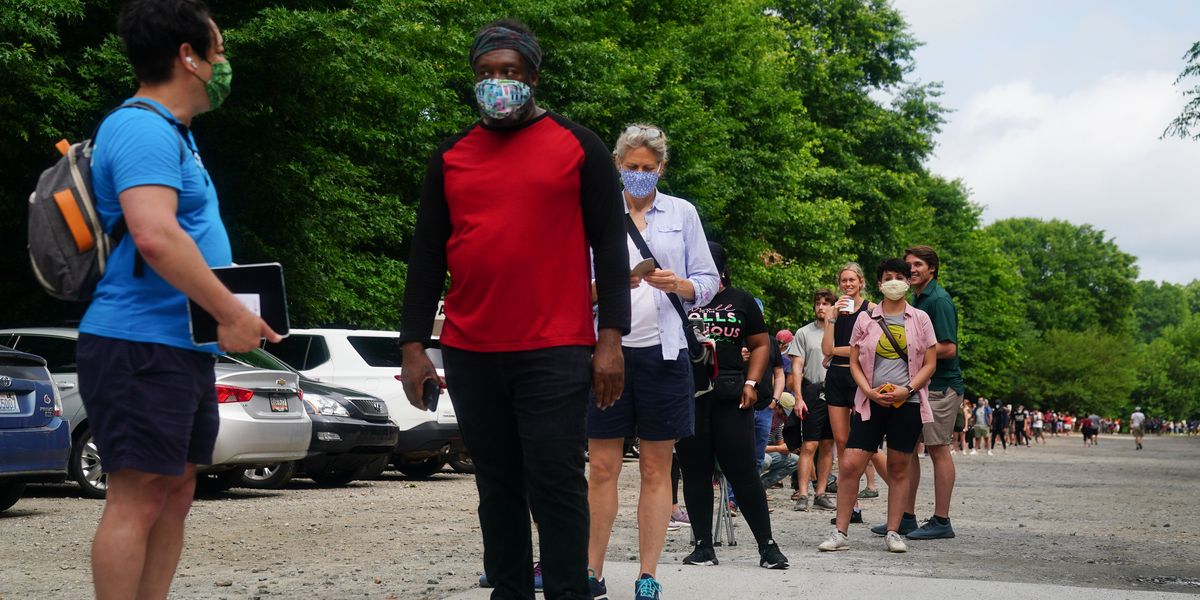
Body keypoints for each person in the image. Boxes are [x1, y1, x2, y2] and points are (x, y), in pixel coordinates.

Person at [397, 20, 630, 600]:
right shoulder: (450, 157)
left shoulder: (581, 147)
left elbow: (609, 244)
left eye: (509, 73)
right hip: (472, 348)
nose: (497, 83)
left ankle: (570, 591)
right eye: (486, 74)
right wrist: (413, 349)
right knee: (496, 484)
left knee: (553, 481)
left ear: (532, 77)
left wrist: (610, 339)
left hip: (554, 346)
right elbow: (427, 257)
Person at [76, 3, 281, 598]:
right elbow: (154, 234)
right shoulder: (140, 127)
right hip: (136, 344)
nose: (223, 63)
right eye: (217, 50)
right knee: (136, 496)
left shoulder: (176, 135)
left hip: (177, 346)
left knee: (177, 489)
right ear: (187, 57)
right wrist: (231, 312)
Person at [585, 123, 719, 600]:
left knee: (655, 469)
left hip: (665, 355)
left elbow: (708, 281)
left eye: (648, 167)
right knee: (601, 468)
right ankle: (591, 572)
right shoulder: (597, 213)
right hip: (608, 354)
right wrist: (616, 284)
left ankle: (647, 574)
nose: (639, 174)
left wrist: (679, 285)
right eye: (631, 167)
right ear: (618, 165)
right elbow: (575, 289)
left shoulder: (683, 214)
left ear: (662, 167)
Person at [678, 242, 789, 570]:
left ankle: (767, 547)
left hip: (732, 395)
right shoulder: (678, 298)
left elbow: (760, 345)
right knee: (695, 472)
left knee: (743, 471)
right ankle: (702, 547)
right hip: (689, 395)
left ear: (721, 268)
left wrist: (752, 383)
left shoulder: (740, 300)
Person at [816, 259, 938, 554]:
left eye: (899, 277)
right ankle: (840, 531)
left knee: (898, 468)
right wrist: (867, 390)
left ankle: (894, 531)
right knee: (849, 464)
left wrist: (906, 389)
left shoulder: (920, 318)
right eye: (888, 277)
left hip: (906, 403)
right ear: (880, 283)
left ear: (908, 283)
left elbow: (930, 363)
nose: (894, 281)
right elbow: (854, 361)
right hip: (870, 402)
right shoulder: (865, 319)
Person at [893, 245, 964, 541]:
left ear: (932, 268)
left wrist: (911, 352)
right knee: (908, 450)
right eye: (908, 264)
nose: (912, 269)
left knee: (938, 449)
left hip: (940, 386)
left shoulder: (938, 300)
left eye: (918, 264)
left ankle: (942, 520)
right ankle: (906, 517)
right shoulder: (917, 298)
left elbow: (948, 347)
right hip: (921, 385)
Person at [820, 263, 884, 521]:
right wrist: (832, 318)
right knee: (842, 442)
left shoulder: (870, 309)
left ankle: (903, 500)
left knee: (867, 445)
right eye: (843, 280)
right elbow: (826, 347)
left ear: (861, 282)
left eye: (852, 280)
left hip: (860, 376)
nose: (847, 284)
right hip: (836, 376)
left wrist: (836, 351)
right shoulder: (834, 311)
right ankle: (852, 507)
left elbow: (868, 349)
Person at [786, 289, 838, 512]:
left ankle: (821, 492)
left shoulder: (840, 332)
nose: (821, 307)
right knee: (809, 444)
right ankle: (803, 494)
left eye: (826, 303)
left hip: (835, 390)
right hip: (812, 390)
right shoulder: (804, 332)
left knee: (828, 445)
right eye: (818, 303)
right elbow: (797, 368)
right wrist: (798, 397)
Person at [760, 394, 799, 489]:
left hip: (767, 453)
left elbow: (781, 444)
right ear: (776, 406)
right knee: (766, 460)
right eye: (783, 414)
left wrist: (788, 448)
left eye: (786, 416)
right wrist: (779, 448)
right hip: (753, 454)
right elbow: (753, 447)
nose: (784, 418)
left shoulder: (779, 423)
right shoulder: (761, 418)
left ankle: (760, 488)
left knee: (796, 461)